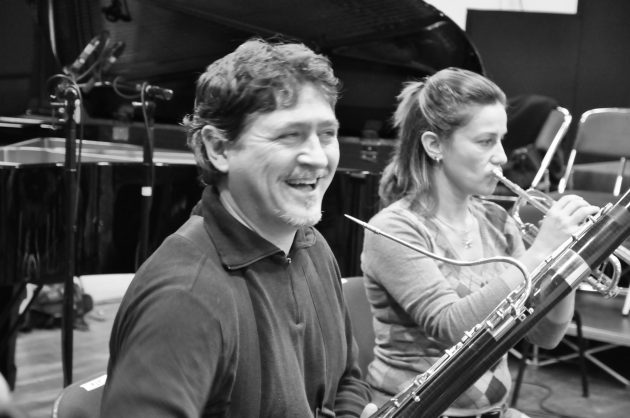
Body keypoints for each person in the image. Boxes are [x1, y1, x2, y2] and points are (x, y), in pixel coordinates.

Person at [100, 38, 372, 417]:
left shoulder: (312, 246)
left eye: (327, 134)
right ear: (219, 149)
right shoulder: (184, 298)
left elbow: (347, 379)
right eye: (289, 135)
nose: (318, 158)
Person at [360, 68, 598, 418]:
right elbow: (452, 327)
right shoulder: (394, 228)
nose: (502, 156)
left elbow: (544, 335)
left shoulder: (498, 222)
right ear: (434, 145)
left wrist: (568, 262)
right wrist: (540, 253)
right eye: (486, 141)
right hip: (415, 410)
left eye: (501, 140)